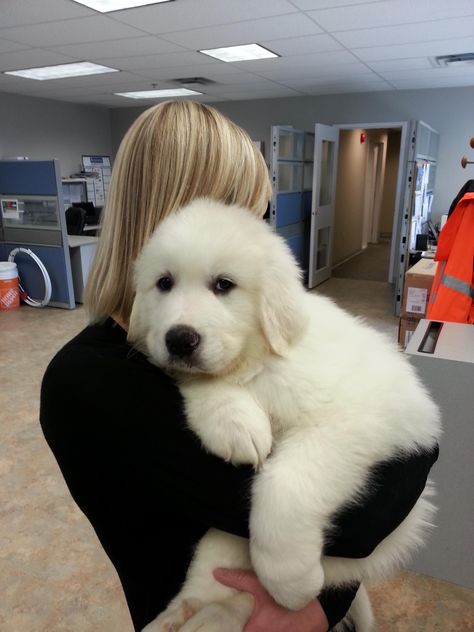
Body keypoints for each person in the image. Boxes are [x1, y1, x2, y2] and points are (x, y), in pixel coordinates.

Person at [40, 101, 438, 632]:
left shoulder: (240, 344)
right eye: (245, 211)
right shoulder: (92, 382)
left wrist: (324, 607)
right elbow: (357, 523)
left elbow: (409, 456)